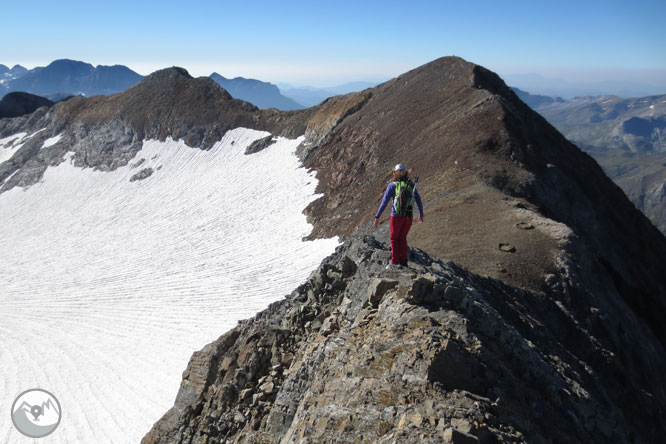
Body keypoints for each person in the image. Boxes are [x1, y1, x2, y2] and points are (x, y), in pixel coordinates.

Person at [374, 163, 424, 266]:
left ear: (395, 173)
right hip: (408, 216)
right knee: (402, 239)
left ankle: (395, 262)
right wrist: (421, 214)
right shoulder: (411, 184)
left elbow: (384, 202)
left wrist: (377, 216)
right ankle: (404, 262)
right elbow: (418, 200)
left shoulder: (392, 185)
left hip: (396, 216)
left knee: (394, 239)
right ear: (405, 172)